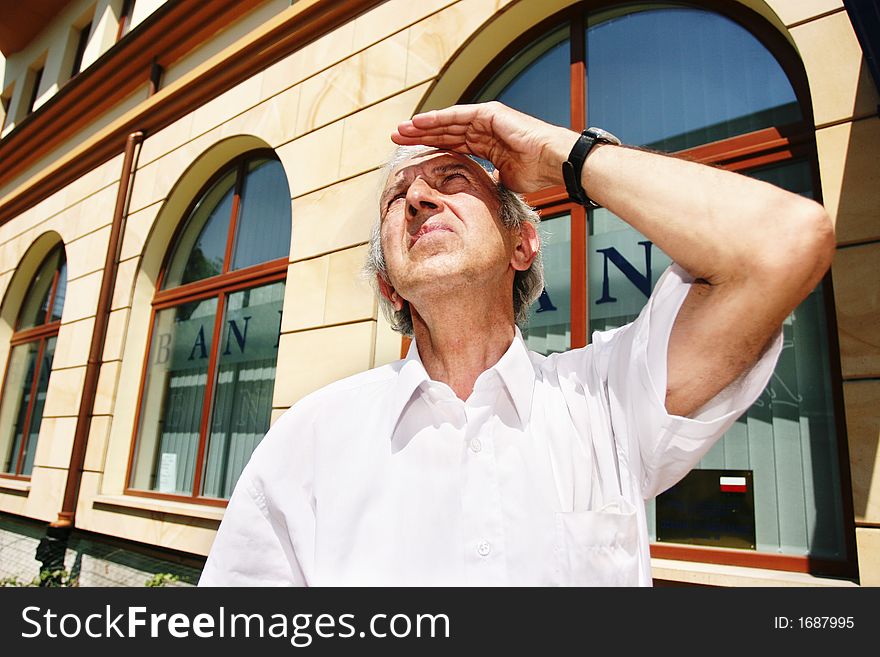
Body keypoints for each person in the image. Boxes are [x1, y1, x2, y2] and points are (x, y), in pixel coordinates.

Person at [199, 102, 834, 586]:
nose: (418, 197)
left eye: (452, 180)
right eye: (398, 199)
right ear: (392, 287)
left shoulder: (603, 403)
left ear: (522, 244)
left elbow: (785, 243)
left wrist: (564, 156)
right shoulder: (313, 436)